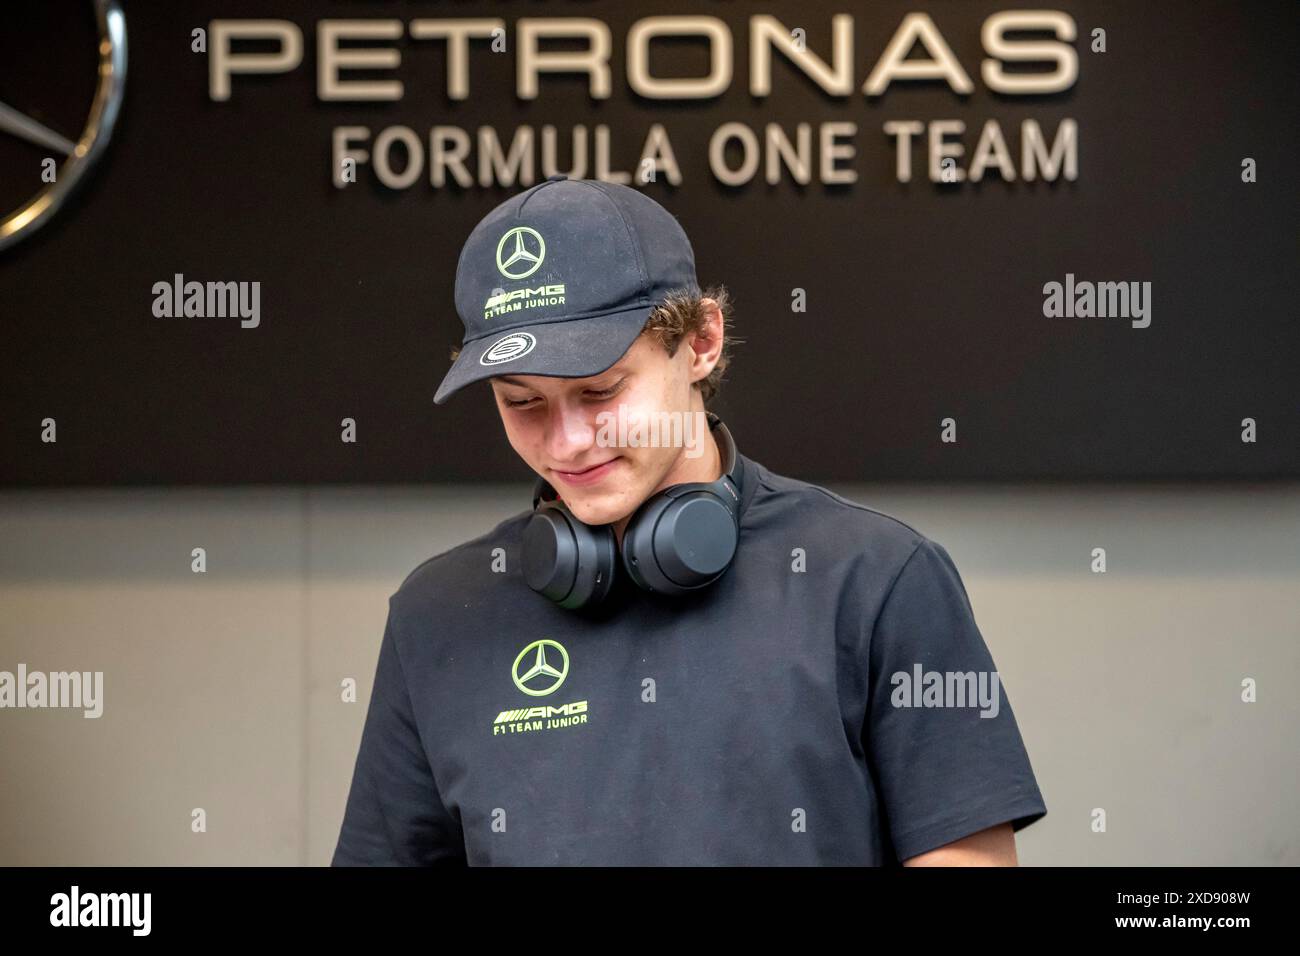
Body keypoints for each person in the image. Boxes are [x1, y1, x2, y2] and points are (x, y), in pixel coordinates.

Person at [331, 175, 1047, 866]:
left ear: (701, 342)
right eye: (523, 403)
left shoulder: (877, 581)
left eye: (600, 390)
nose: (568, 440)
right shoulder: (437, 616)